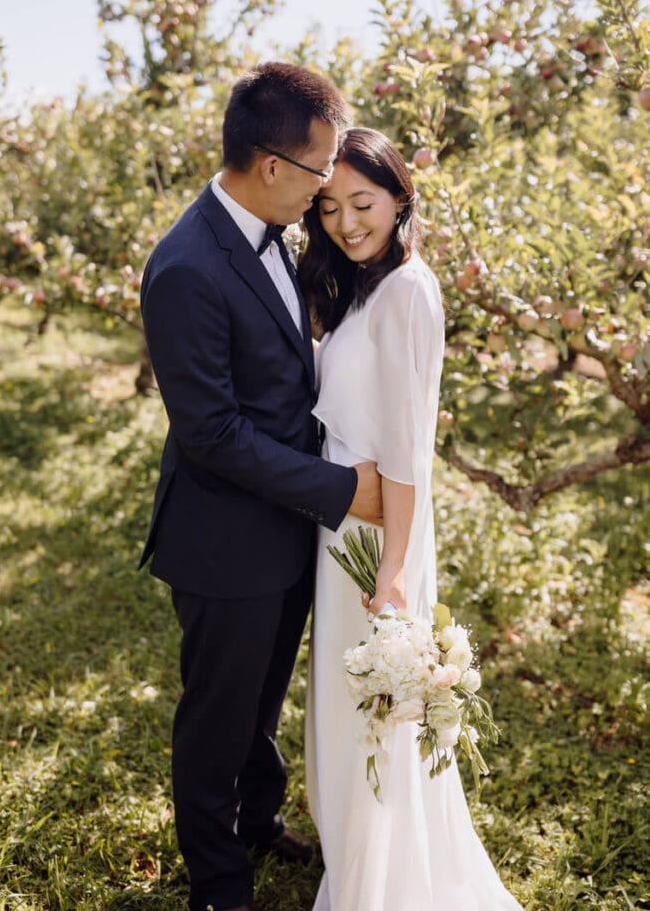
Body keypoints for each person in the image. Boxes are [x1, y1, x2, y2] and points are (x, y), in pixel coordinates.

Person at [139, 65, 383, 911]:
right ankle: (217, 880)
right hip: (223, 542)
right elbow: (210, 436)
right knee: (216, 717)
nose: (329, 191)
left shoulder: (271, 233)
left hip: (283, 527)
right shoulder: (186, 266)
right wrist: (338, 488)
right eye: (321, 172)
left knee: (261, 696)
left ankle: (255, 820)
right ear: (272, 165)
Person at [299, 127, 524, 911]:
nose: (345, 223)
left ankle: (381, 881)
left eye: (363, 203)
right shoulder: (362, 287)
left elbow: (408, 450)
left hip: (374, 536)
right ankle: (353, 854)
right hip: (342, 528)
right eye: (328, 208)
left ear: (401, 198)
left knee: (375, 711)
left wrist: (393, 571)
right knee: (347, 700)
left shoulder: (408, 289)